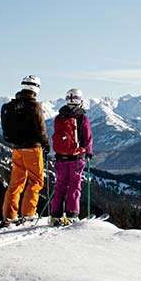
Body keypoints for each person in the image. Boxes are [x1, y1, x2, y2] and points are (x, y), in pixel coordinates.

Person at [0, 75, 50, 227]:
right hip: (32, 148)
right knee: (36, 180)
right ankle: (28, 214)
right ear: (36, 89)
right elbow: (40, 129)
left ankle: (9, 215)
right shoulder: (34, 106)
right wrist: (46, 143)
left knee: (16, 181)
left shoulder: (12, 105)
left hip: (17, 148)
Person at [49, 88, 93, 226]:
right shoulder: (82, 117)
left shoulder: (59, 117)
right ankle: (72, 214)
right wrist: (89, 152)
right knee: (74, 186)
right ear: (80, 100)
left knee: (60, 185)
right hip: (76, 158)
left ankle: (55, 216)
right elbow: (87, 137)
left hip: (61, 158)